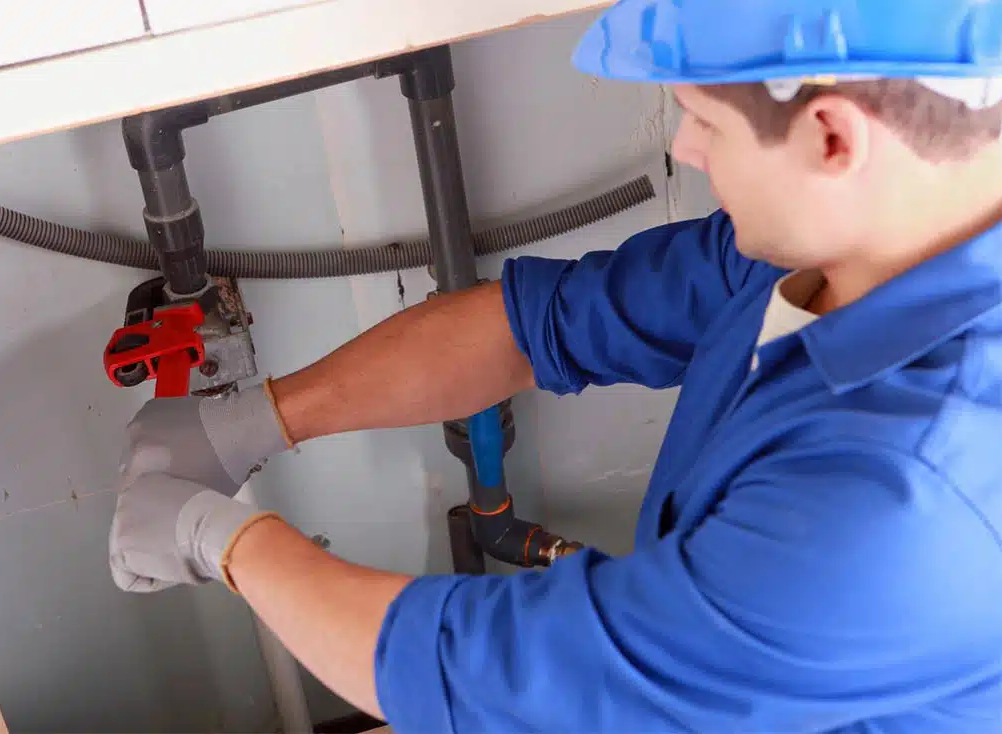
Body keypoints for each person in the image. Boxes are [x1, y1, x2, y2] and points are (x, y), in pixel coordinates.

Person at [106, 1, 1002, 731]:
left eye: (701, 121)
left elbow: (492, 682)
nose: (684, 152)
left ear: (832, 139)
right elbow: (534, 328)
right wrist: (255, 420)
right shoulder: (844, 244)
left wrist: (220, 539)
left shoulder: (909, 502)